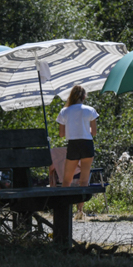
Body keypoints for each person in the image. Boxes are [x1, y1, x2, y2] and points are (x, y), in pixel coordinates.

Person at [56, 85, 98, 219]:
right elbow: (94, 133)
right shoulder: (90, 110)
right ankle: (80, 211)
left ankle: (64, 208)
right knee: (84, 179)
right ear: (84, 96)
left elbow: (61, 134)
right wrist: (84, 130)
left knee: (67, 180)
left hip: (73, 144)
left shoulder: (64, 111)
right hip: (87, 144)